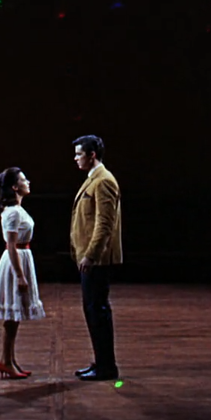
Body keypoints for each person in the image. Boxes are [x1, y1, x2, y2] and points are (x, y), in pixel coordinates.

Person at [0, 168, 46, 379]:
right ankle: (6, 361)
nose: (28, 182)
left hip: (22, 257)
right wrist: (19, 275)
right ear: (15, 187)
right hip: (15, 261)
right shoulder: (13, 212)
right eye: (23, 180)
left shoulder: (17, 210)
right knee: (11, 315)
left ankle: (9, 359)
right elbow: (10, 244)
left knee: (14, 317)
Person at [70, 135, 123, 381]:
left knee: (97, 310)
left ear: (92, 155)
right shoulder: (94, 179)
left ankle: (106, 366)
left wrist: (91, 255)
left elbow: (104, 224)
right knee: (92, 310)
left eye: (79, 154)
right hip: (90, 259)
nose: (75, 158)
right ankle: (101, 362)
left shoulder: (104, 181)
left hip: (97, 260)